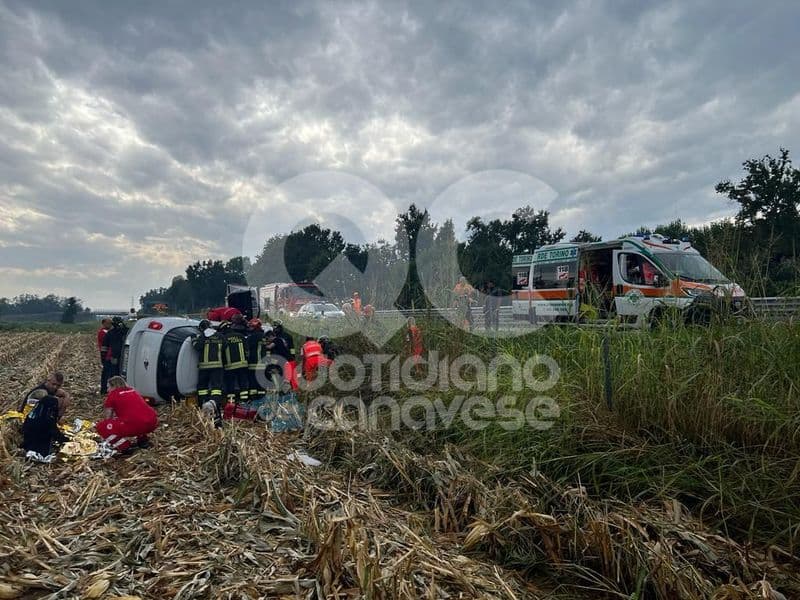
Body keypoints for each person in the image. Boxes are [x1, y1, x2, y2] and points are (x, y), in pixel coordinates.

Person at [96, 376, 158, 453]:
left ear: (114, 386)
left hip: (136, 424)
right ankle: (143, 441)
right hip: (152, 421)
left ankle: (124, 446)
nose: (108, 390)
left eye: (108, 387)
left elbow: (108, 418)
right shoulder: (132, 391)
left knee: (101, 426)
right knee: (136, 417)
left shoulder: (113, 395)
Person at [192, 320, 225, 416]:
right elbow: (224, 347)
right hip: (217, 366)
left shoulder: (203, 337)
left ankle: (202, 404)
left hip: (204, 367)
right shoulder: (220, 336)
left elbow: (197, 347)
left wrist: (193, 339)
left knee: (202, 388)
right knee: (216, 388)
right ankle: (214, 403)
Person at [22, 389, 66, 457]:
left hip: (27, 445)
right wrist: (66, 440)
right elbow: (56, 434)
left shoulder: (32, 415)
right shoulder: (48, 419)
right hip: (40, 450)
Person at [221, 321, 250, 404]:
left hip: (229, 367)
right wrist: (246, 360)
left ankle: (231, 403)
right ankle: (244, 401)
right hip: (242, 365)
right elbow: (247, 350)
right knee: (243, 384)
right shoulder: (241, 336)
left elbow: (221, 353)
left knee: (230, 385)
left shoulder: (224, 338)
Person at [246, 318, 267, 400]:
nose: (249, 328)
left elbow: (247, 348)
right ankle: (262, 400)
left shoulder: (252, 337)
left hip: (253, 364)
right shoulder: (263, 336)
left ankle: (253, 399)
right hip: (263, 364)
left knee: (253, 385)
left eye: (251, 326)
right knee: (261, 385)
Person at [97, 318, 112, 394]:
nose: (110, 325)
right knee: (106, 373)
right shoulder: (103, 333)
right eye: (108, 323)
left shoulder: (108, 332)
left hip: (108, 355)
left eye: (110, 323)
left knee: (108, 373)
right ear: (103, 323)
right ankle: (104, 389)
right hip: (106, 356)